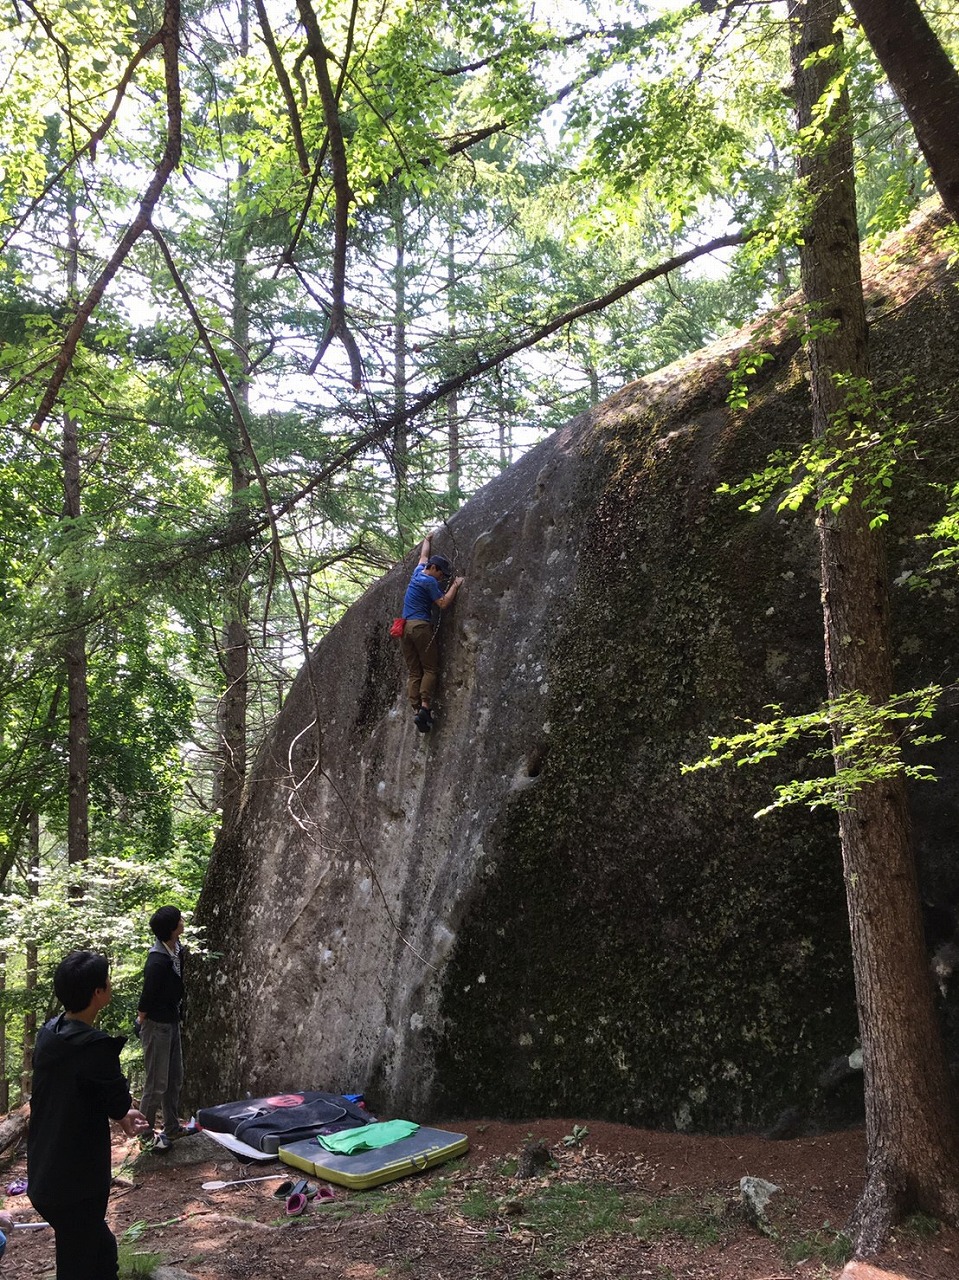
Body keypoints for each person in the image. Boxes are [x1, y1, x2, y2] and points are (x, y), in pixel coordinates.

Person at [27, 950, 149, 1280]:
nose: (111, 983)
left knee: (100, 1252)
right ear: (98, 993)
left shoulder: (51, 1033)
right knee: (78, 1264)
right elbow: (115, 1097)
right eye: (107, 979)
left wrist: (121, 1115)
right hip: (75, 1185)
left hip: (45, 1173)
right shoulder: (96, 1048)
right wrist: (123, 1112)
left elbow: (85, 1093)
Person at [137, 906, 192, 1152]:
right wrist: (141, 1021)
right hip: (156, 1025)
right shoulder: (157, 960)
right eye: (178, 920)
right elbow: (147, 997)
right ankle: (145, 1134)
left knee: (174, 1077)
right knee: (156, 1083)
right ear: (171, 929)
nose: (182, 921)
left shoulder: (176, 951)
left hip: (171, 1021)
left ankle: (172, 1126)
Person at [400, 530, 465, 732]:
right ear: (434, 569)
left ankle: (416, 709)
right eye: (441, 574)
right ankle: (425, 707)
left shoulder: (418, 572)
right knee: (430, 668)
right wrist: (455, 585)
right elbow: (443, 603)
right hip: (420, 626)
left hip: (404, 629)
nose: (441, 578)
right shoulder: (429, 581)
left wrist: (427, 540)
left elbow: (423, 556)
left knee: (414, 670)